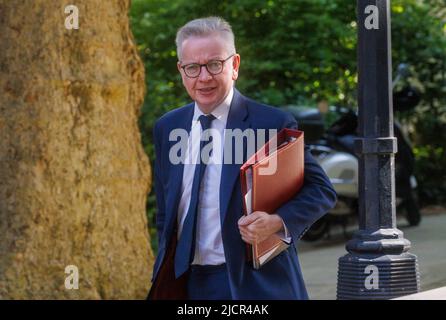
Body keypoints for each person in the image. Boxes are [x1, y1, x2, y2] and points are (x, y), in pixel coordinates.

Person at [148, 16, 337, 300]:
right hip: (187, 285)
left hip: (256, 286)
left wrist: (277, 221)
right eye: (192, 67)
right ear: (181, 71)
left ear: (234, 65)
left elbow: (321, 190)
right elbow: (166, 213)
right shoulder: (168, 128)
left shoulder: (270, 124)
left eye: (214, 64)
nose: (204, 77)